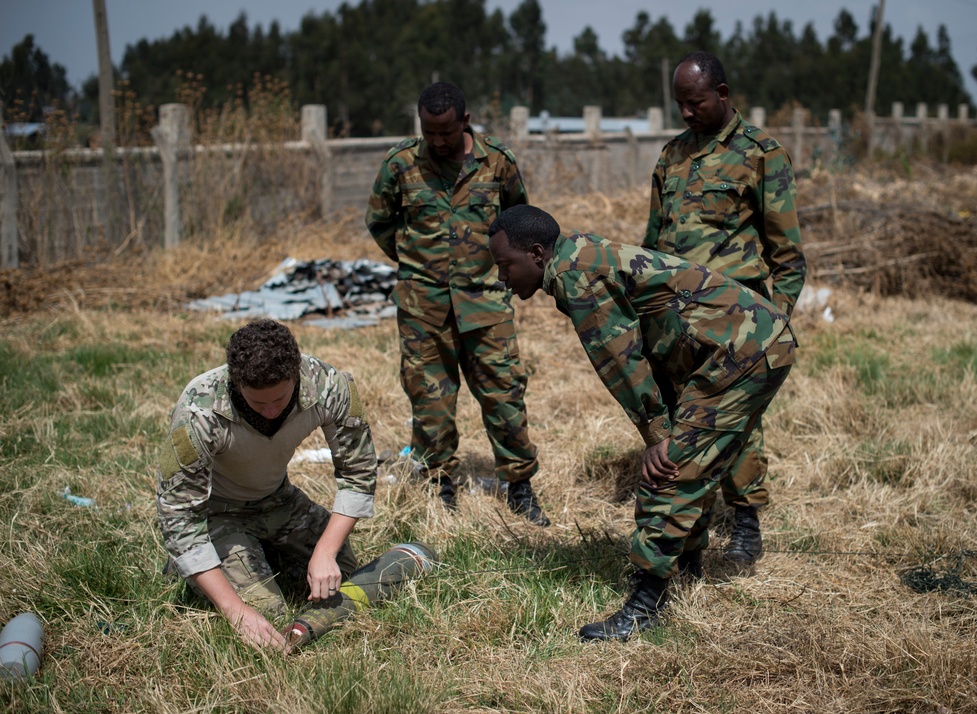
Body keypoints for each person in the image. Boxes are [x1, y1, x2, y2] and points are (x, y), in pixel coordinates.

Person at [487, 205, 796, 641]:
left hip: (741, 350)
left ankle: (643, 605)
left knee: (670, 468)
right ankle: (686, 565)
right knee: (691, 460)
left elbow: (619, 356)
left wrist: (657, 432)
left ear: (536, 254)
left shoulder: (576, 274)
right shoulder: (576, 255)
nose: (502, 278)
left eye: (505, 265)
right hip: (725, 345)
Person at [643, 51, 807, 563]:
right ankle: (688, 527)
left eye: (694, 102)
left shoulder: (761, 152)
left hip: (737, 321)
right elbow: (652, 244)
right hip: (674, 320)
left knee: (737, 420)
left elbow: (788, 254)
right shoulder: (671, 156)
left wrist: (772, 322)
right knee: (683, 417)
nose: (687, 113)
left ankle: (746, 522)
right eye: (679, 104)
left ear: (722, 93)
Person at [365, 80, 549, 526]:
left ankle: (520, 487)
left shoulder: (498, 163)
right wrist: (417, 264)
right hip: (423, 307)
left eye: (446, 132)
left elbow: (518, 221)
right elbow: (380, 222)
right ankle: (438, 486)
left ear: (465, 121)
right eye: (429, 132)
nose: (438, 141)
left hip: (485, 302)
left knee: (504, 395)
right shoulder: (400, 164)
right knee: (429, 400)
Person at [156, 319, 377, 652]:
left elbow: (359, 472)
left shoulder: (327, 385)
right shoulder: (199, 411)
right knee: (266, 614)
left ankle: (263, 555)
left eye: (281, 398)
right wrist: (235, 611)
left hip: (278, 500)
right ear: (236, 382)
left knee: (344, 581)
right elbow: (180, 518)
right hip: (218, 514)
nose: (272, 411)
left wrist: (325, 551)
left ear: (296, 374)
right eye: (259, 404)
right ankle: (195, 567)